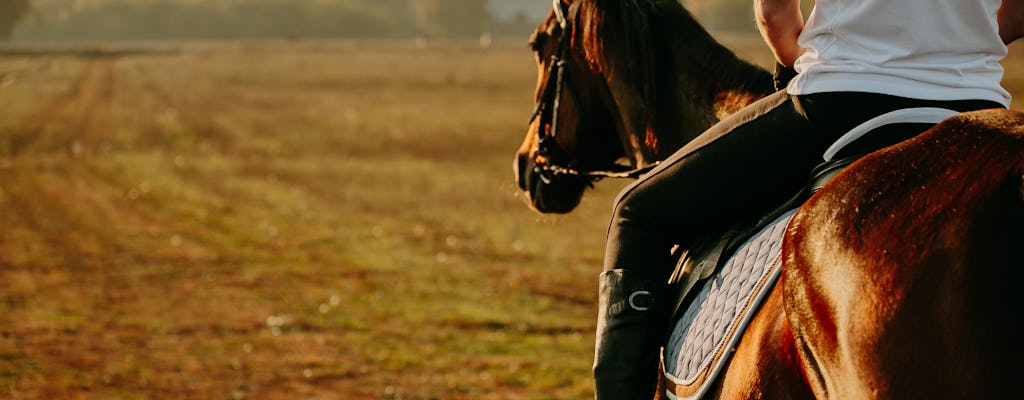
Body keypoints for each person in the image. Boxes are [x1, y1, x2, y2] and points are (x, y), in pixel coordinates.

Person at [591, 0, 1024, 398]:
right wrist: (960, 41)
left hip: (844, 102)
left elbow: (775, 15)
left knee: (636, 214)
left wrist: (822, 53)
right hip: (974, 104)